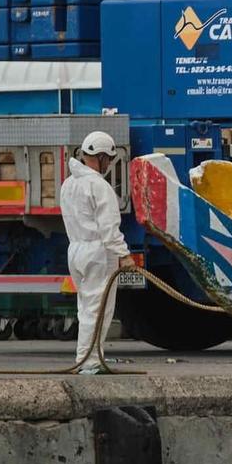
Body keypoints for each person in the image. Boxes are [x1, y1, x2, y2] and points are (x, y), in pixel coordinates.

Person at [58, 130, 136, 374]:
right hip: (97, 252)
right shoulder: (99, 186)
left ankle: (86, 358)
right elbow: (109, 228)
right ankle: (90, 362)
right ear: (101, 157)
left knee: (86, 308)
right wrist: (124, 254)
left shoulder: (68, 184)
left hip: (76, 249)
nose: (109, 165)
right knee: (98, 309)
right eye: (109, 159)